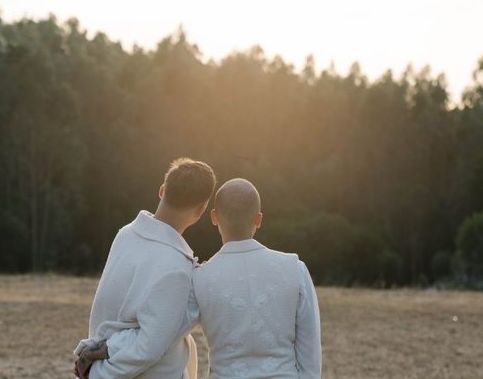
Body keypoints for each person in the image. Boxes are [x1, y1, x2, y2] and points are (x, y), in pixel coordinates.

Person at [74, 157, 216, 379]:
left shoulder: (126, 234)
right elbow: (148, 347)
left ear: (162, 190)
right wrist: (98, 374)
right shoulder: (177, 266)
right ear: (200, 211)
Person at [191, 178, 322, 378]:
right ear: (258, 219)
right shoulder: (294, 269)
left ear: (214, 217)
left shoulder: (199, 277)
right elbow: (310, 350)